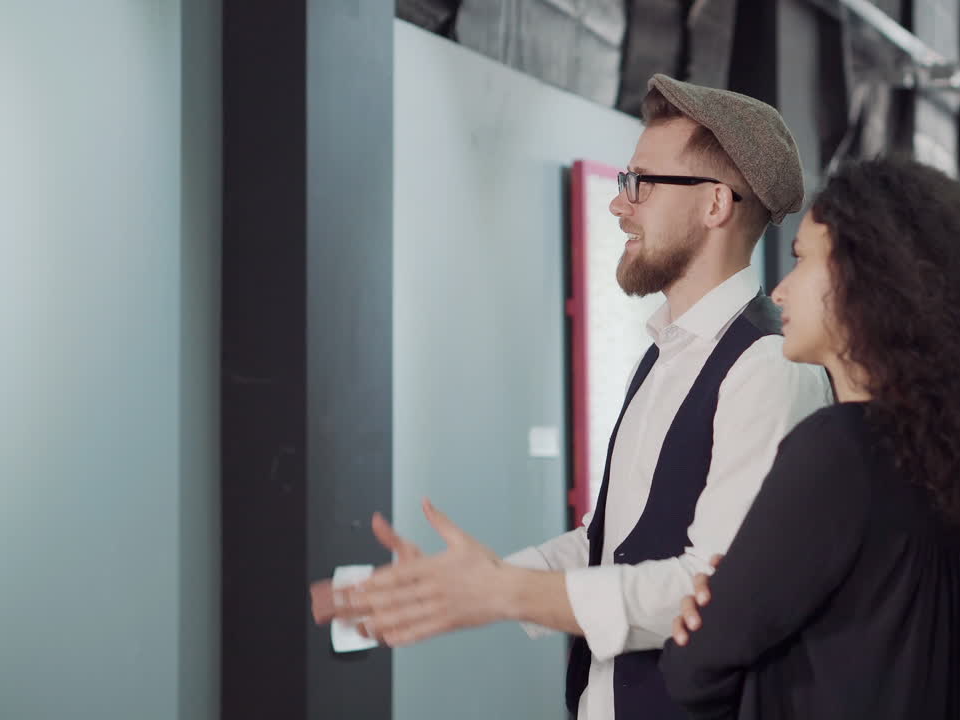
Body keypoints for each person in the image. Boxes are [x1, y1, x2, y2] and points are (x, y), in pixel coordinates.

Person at [312, 74, 832, 720]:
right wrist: (471, 582)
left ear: (715, 205)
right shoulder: (665, 355)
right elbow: (606, 541)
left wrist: (503, 592)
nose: (621, 206)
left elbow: (709, 590)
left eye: (641, 183)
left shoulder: (766, 370)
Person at [659, 156, 960, 720]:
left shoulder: (838, 449)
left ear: (866, 276)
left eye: (802, 260)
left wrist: (706, 626)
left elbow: (695, 666)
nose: (783, 291)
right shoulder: (943, 455)